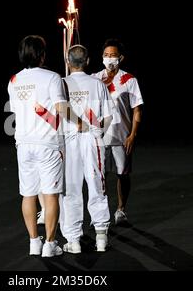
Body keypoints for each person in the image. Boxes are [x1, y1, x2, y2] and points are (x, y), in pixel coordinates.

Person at [8, 35, 67, 257]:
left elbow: (16, 110)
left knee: (28, 194)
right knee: (50, 195)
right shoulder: (52, 77)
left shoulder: (13, 80)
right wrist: (81, 122)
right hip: (48, 143)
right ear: (42, 54)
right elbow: (61, 109)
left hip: (23, 143)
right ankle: (50, 245)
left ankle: (34, 242)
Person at [60, 45, 114, 253]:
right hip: (93, 141)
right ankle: (101, 236)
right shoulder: (97, 84)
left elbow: (56, 114)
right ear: (88, 61)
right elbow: (109, 116)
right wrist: (101, 137)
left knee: (71, 189)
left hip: (69, 142)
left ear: (68, 61)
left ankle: (73, 240)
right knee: (96, 184)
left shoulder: (61, 84)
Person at [92, 39, 144, 225]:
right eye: (106, 55)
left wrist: (133, 134)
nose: (109, 58)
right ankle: (100, 212)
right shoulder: (94, 78)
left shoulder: (129, 80)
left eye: (113, 55)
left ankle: (121, 209)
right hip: (100, 136)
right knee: (100, 175)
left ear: (121, 57)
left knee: (123, 174)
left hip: (122, 135)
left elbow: (137, 109)